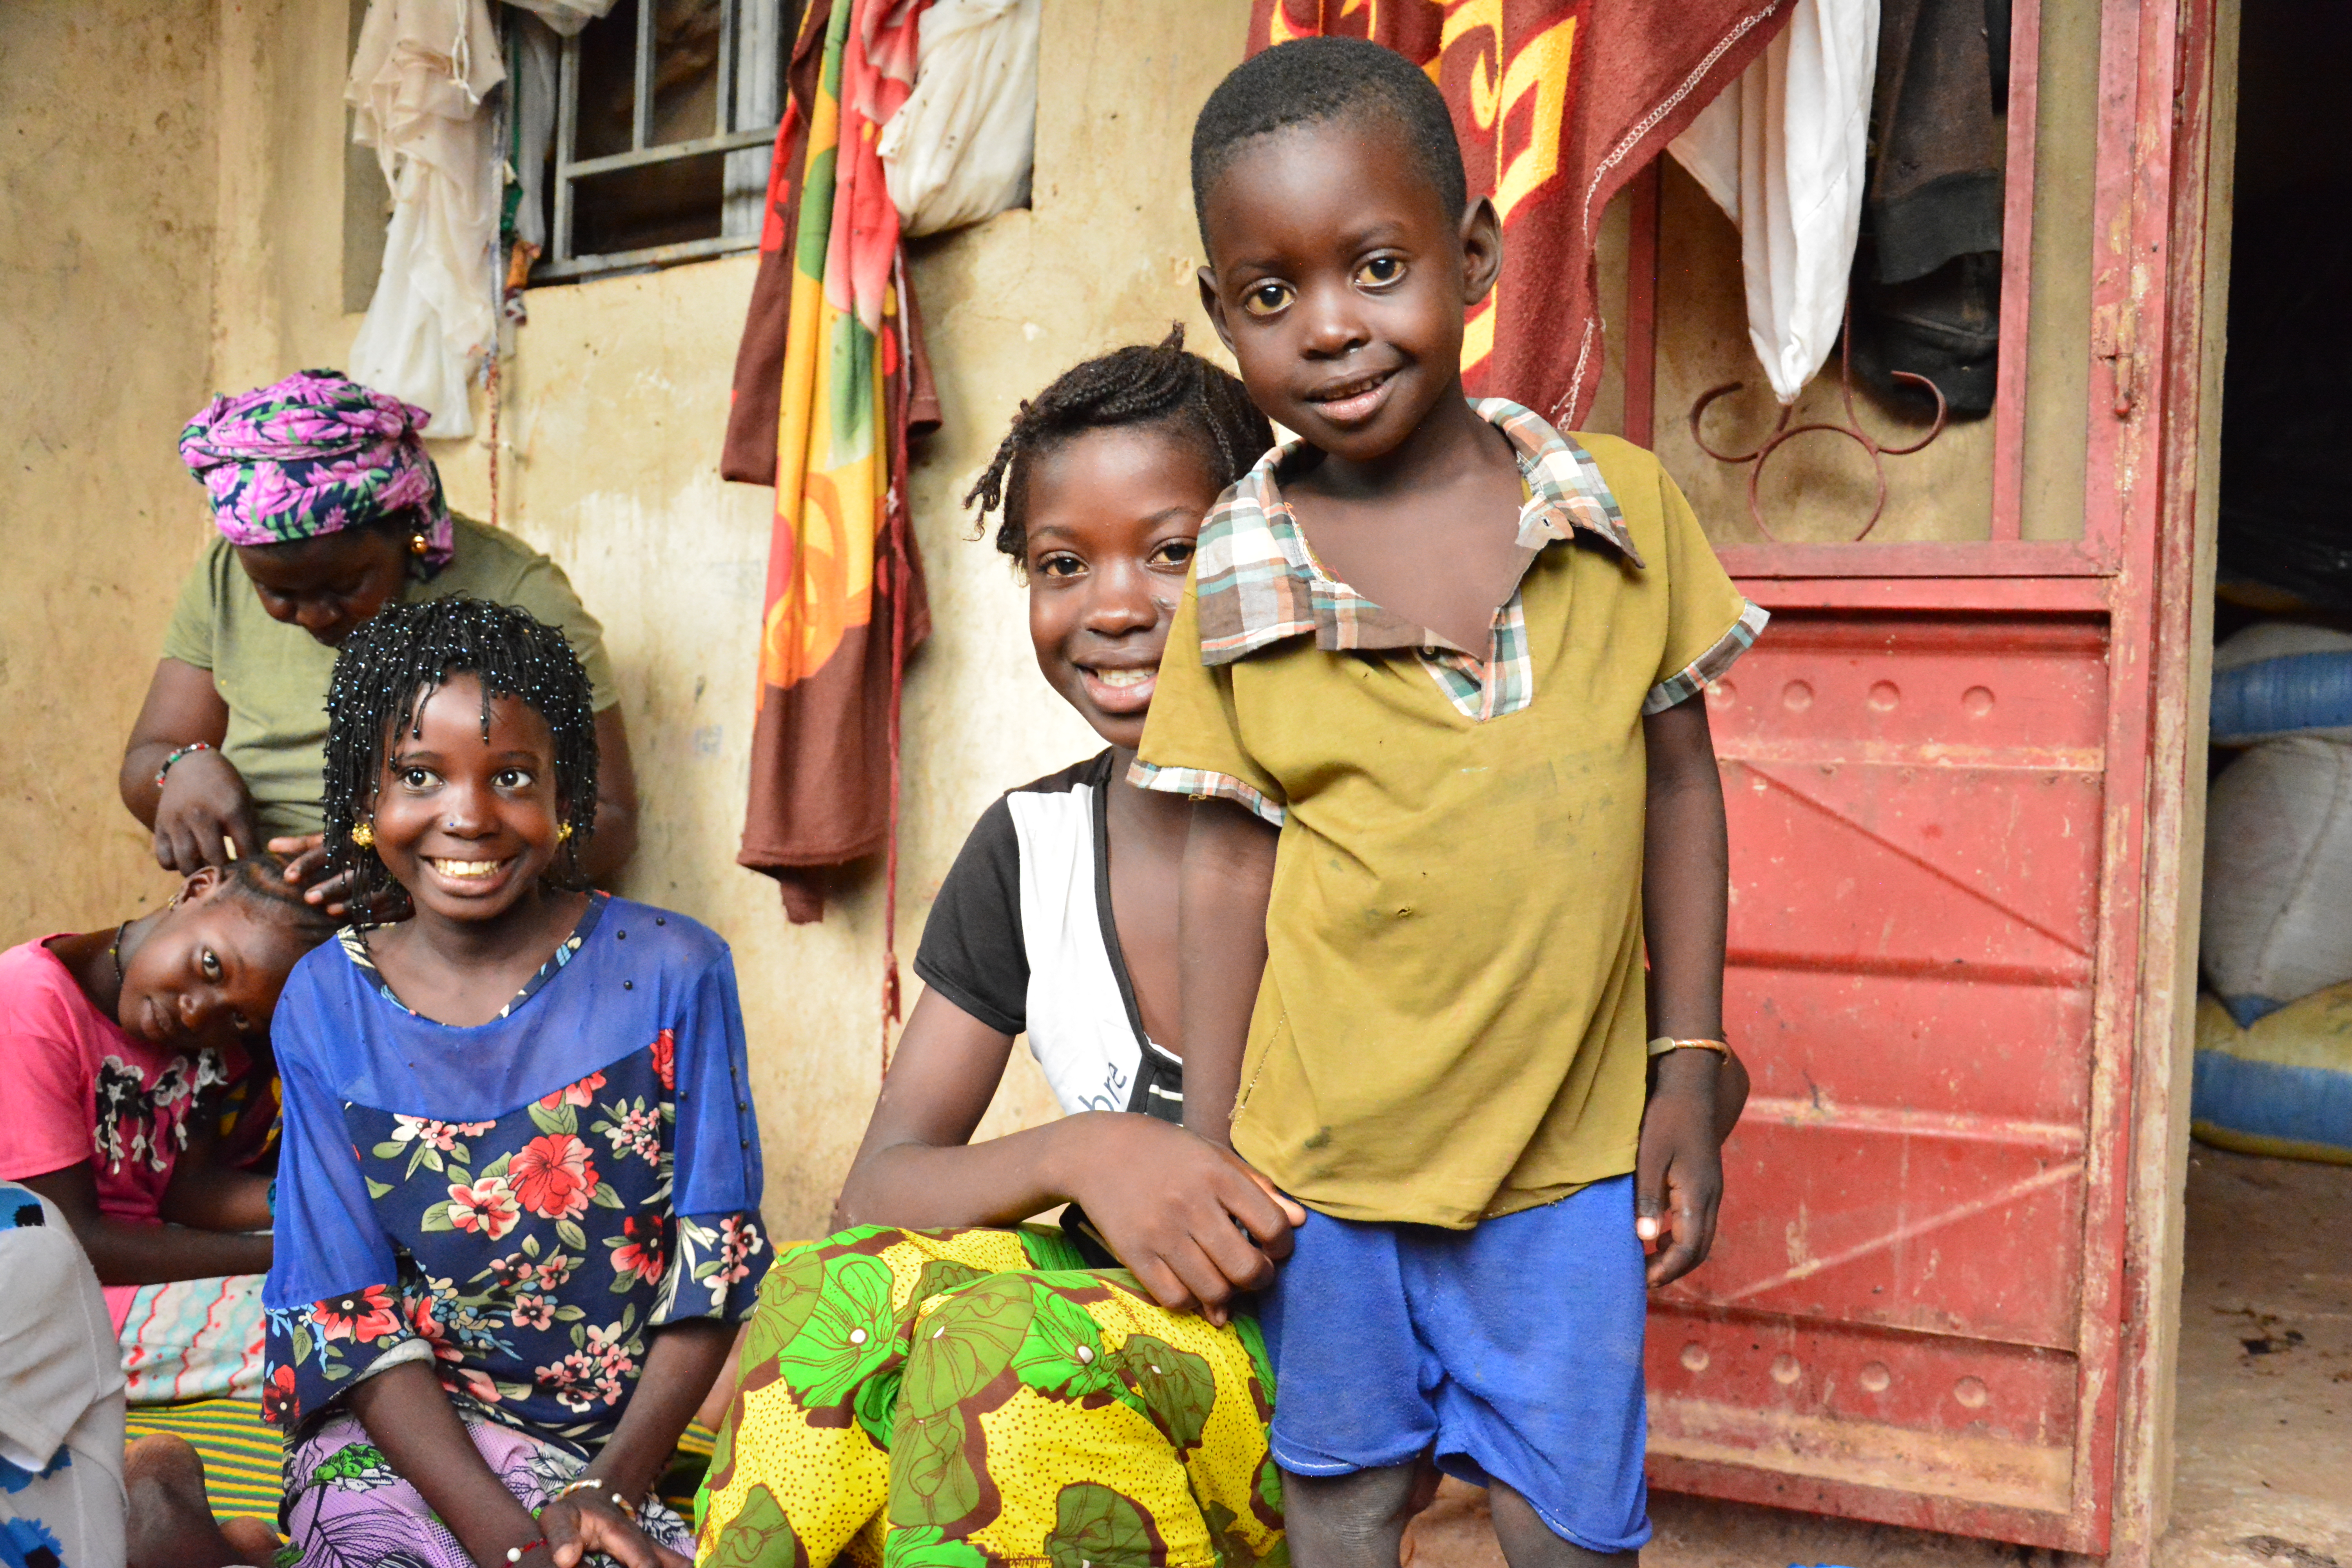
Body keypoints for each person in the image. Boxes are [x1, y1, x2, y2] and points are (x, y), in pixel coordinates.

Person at [1137, 38, 1767, 1567]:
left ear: (1473, 255)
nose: (1333, 327)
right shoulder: (1235, 571)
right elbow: (1222, 878)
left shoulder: (1617, 514)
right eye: (1273, 295)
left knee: (1567, 1533)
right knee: (1344, 1510)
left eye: (1375, 264)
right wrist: (1212, 1152)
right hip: (1325, 1181)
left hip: (1563, 1177)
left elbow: (1678, 786)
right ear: (1226, 318)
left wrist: (1689, 1062)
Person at [695, 336, 1298, 1568]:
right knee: (836, 1295)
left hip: (1323, 1391)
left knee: (1012, 1365)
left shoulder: (1347, 821)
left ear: (1265, 547)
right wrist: (1088, 1148)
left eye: (1173, 549)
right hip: (1104, 1326)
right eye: (1062, 563)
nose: (1116, 604)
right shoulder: (1032, 846)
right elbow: (878, 1187)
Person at [262, 597, 766, 1568]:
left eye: (512, 776)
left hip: (612, 1452)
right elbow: (347, 1315)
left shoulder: (674, 971)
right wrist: (508, 1543)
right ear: (364, 803)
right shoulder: (325, 1000)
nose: (468, 815)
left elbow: (716, 1270)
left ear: (566, 794)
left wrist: (606, 1487)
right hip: (405, 1441)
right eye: (419, 775)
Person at [121, 370, 638, 909]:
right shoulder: (223, 573)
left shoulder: (517, 593)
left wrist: (410, 869)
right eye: (275, 591)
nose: (314, 615)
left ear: (408, 531)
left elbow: (610, 817)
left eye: (345, 586)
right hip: (262, 905)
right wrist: (181, 768)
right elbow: (149, 754)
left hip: (453, 907)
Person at [0, 854, 339, 1403]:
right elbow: (68, 1243)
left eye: (239, 1019)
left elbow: (186, 1191)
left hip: (135, 1258)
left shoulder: (202, 1037)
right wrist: (289, 1250)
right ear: (198, 888)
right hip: (42, 1296)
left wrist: (317, 1204)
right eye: (210, 965)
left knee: (373, 1284)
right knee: (331, 1335)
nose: (196, 1012)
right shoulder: (28, 1004)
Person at [0, 1178, 281, 1568]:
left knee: (164, 1468)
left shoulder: (19, 1236)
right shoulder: (23, 1240)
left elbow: (189, 1187)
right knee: (167, 1472)